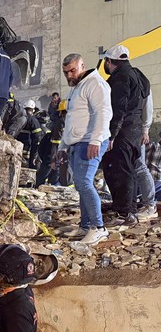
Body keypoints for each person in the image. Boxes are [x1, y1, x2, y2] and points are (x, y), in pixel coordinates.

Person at [59, 53, 112, 245]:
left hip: (90, 141)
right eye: (66, 72)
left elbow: (103, 113)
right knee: (81, 185)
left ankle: (98, 228)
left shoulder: (95, 84)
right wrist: (63, 145)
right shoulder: (76, 87)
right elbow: (72, 119)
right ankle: (85, 225)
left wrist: (96, 140)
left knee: (84, 183)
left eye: (73, 70)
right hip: (78, 142)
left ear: (83, 65)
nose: (69, 76)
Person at [101, 44, 152, 227]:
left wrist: (112, 135)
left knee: (120, 171)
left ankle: (125, 213)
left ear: (109, 61)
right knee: (127, 170)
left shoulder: (120, 77)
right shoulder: (138, 75)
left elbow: (118, 109)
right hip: (135, 130)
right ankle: (126, 208)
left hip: (123, 131)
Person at [135, 92, 156, 220]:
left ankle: (150, 205)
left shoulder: (140, 81)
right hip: (126, 130)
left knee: (139, 167)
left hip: (135, 130)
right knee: (133, 168)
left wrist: (145, 130)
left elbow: (147, 107)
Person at [18, 100, 44, 169]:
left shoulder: (18, 118)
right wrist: (35, 154)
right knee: (25, 167)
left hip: (17, 147)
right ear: (33, 110)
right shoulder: (33, 120)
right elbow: (37, 138)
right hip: (27, 148)